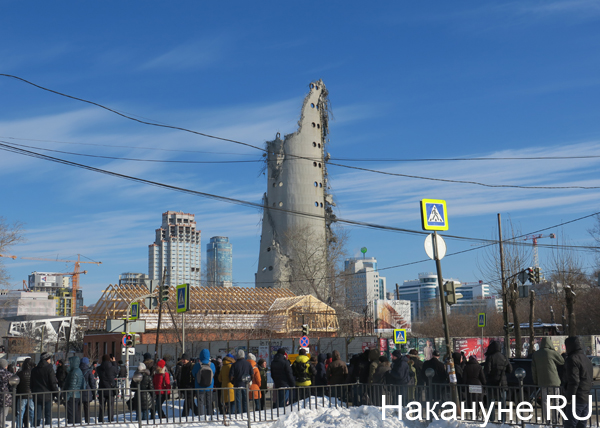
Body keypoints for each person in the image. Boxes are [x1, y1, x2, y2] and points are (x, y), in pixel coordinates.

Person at [562, 337, 593, 428]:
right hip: (586, 397)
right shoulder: (586, 359)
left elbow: (574, 381)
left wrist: (569, 398)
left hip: (576, 398)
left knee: (570, 424)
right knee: (581, 425)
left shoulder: (572, 359)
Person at [532, 337, 565, 424]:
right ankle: (555, 420)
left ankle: (547, 420)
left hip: (542, 382)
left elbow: (533, 370)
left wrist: (536, 381)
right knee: (555, 401)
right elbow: (562, 361)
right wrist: (554, 350)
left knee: (545, 401)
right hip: (554, 381)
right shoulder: (551, 353)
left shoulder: (536, 354)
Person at [484, 340, 512, 419]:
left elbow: (487, 371)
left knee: (491, 403)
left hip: (492, 384)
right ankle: (503, 420)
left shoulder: (490, 357)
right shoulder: (504, 357)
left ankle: (492, 419)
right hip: (502, 384)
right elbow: (510, 370)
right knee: (502, 403)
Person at [191, 349, 215, 419]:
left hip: (199, 387)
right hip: (210, 386)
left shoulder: (197, 365)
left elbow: (193, 374)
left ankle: (201, 417)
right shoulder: (212, 365)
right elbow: (213, 373)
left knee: (200, 403)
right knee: (209, 402)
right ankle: (210, 416)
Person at [96, 354, 119, 422]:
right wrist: (114, 362)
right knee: (110, 405)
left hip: (102, 388)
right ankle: (110, 418)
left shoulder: (99, 368)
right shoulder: (112, 368)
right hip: (110, 388)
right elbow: (116, 371)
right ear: (110, 359)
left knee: (102, 405)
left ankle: (100, 418)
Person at [230, 350, 253, 414]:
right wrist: (249, 381)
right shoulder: (248, 364)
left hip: (237, 385)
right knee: (245, 400)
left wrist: (233, 382)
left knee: (238, 401)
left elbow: (231, 377)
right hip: (245, 385)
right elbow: (252, 375)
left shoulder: (234, 365)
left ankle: (239, 414)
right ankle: (246, 413)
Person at [63, 356, 84, 424]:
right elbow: (83, 385)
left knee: (71, 414)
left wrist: (67, 397)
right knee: (76, 413)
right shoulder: (78, 371)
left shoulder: (74, 372)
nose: (69, 364)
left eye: (70, 362)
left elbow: (72, 386)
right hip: (77, 394)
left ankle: (71, 425)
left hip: (72, 395)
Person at [16, 358, 34, 428]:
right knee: (32, 412)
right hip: (31, 395)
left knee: (20, 413)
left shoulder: (20, 373)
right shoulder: (33, 373)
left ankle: (19, 426)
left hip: (22, 395)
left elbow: (17, 385)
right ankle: (33, 425)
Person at [80, 357, 96, 424]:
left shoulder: (78, 370)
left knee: (78, 407)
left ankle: (78, 421)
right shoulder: (89, 371)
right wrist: (94, 392)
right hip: (87, 391)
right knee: (87, 408)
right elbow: (92, 382)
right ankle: (87, 421)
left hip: (79, 391)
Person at [0, 359, 13, 428]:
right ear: (5, 366)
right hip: (6, 396)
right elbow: (12, 385)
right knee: (4, 413)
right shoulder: (8, 374)